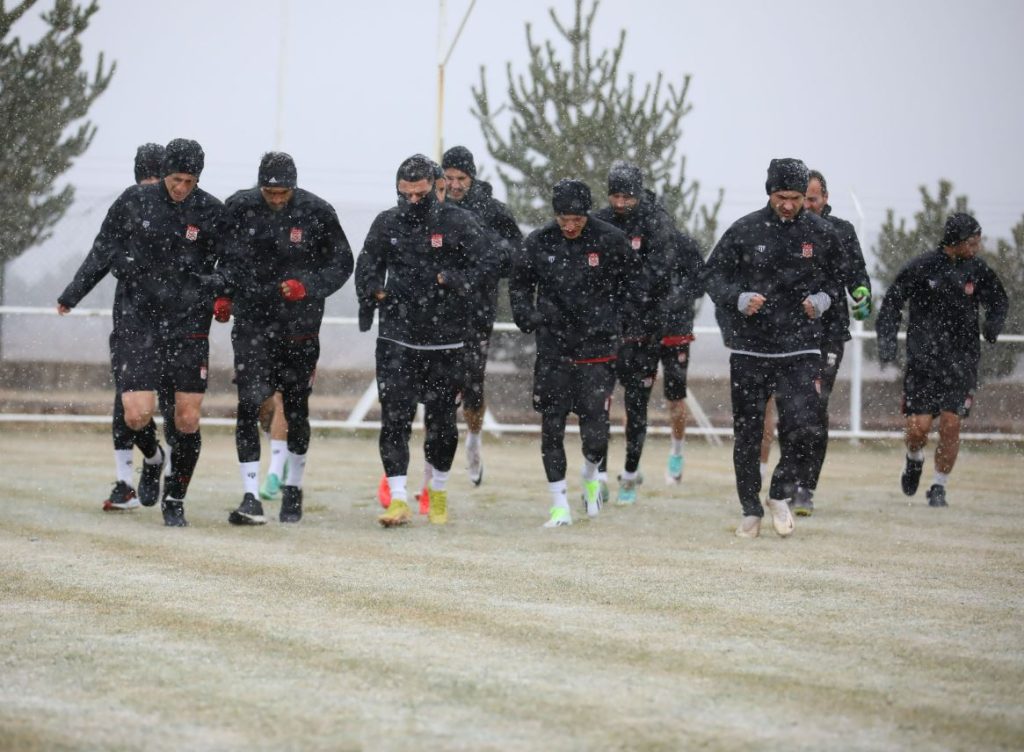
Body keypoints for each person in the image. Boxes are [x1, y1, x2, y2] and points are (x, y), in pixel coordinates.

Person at [703, 158, 843, 539]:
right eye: (781, 197)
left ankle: (780, 493)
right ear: (769, 192)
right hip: (751, 350)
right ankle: (750, 507)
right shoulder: (745, 230)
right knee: (748, 433)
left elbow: (836, 282)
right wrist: (738, 297)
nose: (787, 205)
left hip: (801, 348)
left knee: (805, 426)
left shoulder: (822, 233)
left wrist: (823, 301)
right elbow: (712, 276)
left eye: (795, 198)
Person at [356, 154, 493, 527]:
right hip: (397, 338)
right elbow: (366, 264)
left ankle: (439, 494)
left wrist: (451, 279)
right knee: (394, 420)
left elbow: (487, 266)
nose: (413, 202)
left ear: (438, 187)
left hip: (446, 341)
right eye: (406, 195)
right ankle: (398, 499)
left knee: (442, 424)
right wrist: (374, 293)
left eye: (420, 195)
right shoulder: (387, 222)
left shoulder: (460, 223)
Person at [220, 152, 354, 525]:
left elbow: (343, 263)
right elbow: (222, 259)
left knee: (295, 409)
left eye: (283, 193)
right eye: (269, 192)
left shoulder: (318, 212)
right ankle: (250, 496)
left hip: (300, 328)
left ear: (294, 187)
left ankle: (293, 486)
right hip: (252, 324)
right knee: (250, 402)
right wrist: (223, 294)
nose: (276, 199)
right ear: (259, 185)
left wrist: (308, 287)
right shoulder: (238, 208)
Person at [101, 138, 228, 527]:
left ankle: (175, 496)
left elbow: (233, 264)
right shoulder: (134, 205)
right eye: (173, 180)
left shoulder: (208, 211)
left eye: (187, 181)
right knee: (134, 411)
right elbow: (105, 252)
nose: (178, 188)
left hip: (187, 327)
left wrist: (219, 289)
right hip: (139, 325)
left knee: (186, 418)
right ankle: (147, 463)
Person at [57, 143, 183, 511]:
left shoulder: (186, 210)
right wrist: (73, 293)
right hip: (133, 317)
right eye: (144, 181)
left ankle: (173, 480)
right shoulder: (130, 204)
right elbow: (102, 251)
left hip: (176, 321)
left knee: (177, 402)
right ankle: (130, 476)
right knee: (128, 403)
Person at [510, 178, 636, 527]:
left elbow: (633, 285)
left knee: (595, 432)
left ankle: (592, 473)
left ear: (586, 214)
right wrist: (529, 317)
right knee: (551, 428)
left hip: (597, 349)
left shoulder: (610, 239)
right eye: (563, 218)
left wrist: (616, 322)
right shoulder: (538, 242)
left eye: (576, 219)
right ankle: (558, 505)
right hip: (554, 350)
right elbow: (519, 284)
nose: (569, 225)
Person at [757, 170, 872, 515]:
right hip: (788, 333)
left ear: (825, 198)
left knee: (814, 408)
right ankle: (785, 480)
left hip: (829, 333)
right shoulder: (779, 230)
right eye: (800, 197)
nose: (806, 204)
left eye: (812, 197)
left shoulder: (841, 232)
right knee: (790, 411)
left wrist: (862, 292)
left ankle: (806, 486)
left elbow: (856, 273)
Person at [876, 212, 1007, 507]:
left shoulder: (978, 270)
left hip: (962, 362)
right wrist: (886, 342)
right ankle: (914, 457)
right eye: (973, 242)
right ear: (956, 242)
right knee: (918, 429)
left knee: (951, 423)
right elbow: (892, 302)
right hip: (924, 362)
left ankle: (939, 486)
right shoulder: (922, 267)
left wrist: (993, 326)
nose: (977, 247)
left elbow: (998, 301)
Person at [591, 161, 677, 504]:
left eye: (628, 196)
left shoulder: (656, 222)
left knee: (636, 407)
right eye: (615, 196)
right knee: (597, 407)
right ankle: (596, 477)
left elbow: (659, 273)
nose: (621, 203)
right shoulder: (598, 221)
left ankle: (629, 474)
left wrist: (631, 301)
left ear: (639, 194)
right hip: (604, 332)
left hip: (644, 331)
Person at [441, 146, 522, 487]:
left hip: (477, 308)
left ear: (472, 178)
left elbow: (517, 252)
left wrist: (483, 264)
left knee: (472, 384)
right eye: (448, 177)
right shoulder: (433, 206)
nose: (454, 184)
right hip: (437, 310)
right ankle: (440, 452)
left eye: (461, 178)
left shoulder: (492, 211)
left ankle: (473, 440)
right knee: (440, 387)